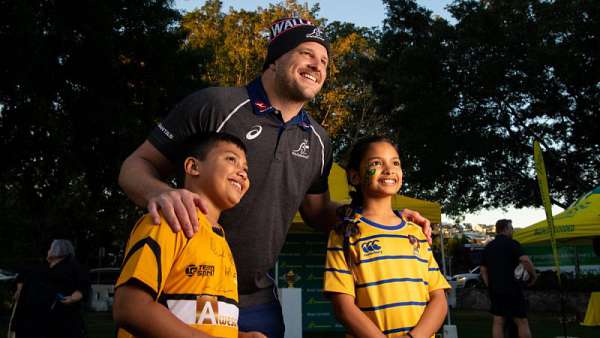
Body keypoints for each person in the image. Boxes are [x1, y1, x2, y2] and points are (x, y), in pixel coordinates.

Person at [118, 17, 432, 336]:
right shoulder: (215, 104)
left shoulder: (318, 141)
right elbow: (135, 166)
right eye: (306, 53)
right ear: (275, 60)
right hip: (184, 284)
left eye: (324, 60)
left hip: (258, 300)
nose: (317, 65)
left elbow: (318, 213)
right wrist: (158, 192)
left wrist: (383, 216)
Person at [113, 133, 264, 338]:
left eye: (246, 168)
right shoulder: (167, 221)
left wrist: (241, 336)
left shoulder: (220, 240)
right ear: (193, 167)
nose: (243, 173)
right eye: (231, 159)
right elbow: (130, 308)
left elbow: (200, 319)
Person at [324, 136, 449, 338]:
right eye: (377, 163)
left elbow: (439, 299)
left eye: (395, 163)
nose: (389, 169)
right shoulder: (345, 233)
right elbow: (343, 307)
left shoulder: (415, 232)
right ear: (355, 176)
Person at [480, 219, 537, 338]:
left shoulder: (489, 246)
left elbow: (483, 270)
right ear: (505, 229)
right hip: (513, 288)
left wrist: (489, 285)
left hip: (495, 289)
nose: (512, 230)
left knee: (498, 321)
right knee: (521, 321)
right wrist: (533, 276)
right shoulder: (513, 243)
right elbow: (525, 260)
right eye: (511, 228)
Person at [45, 239, 89, 338]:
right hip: (61, 319)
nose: (48, 251)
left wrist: (73, 298)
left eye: (50, 248)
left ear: (57, 251)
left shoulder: (70, 267)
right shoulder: (56, 268)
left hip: (64, 319)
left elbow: (83, 287)